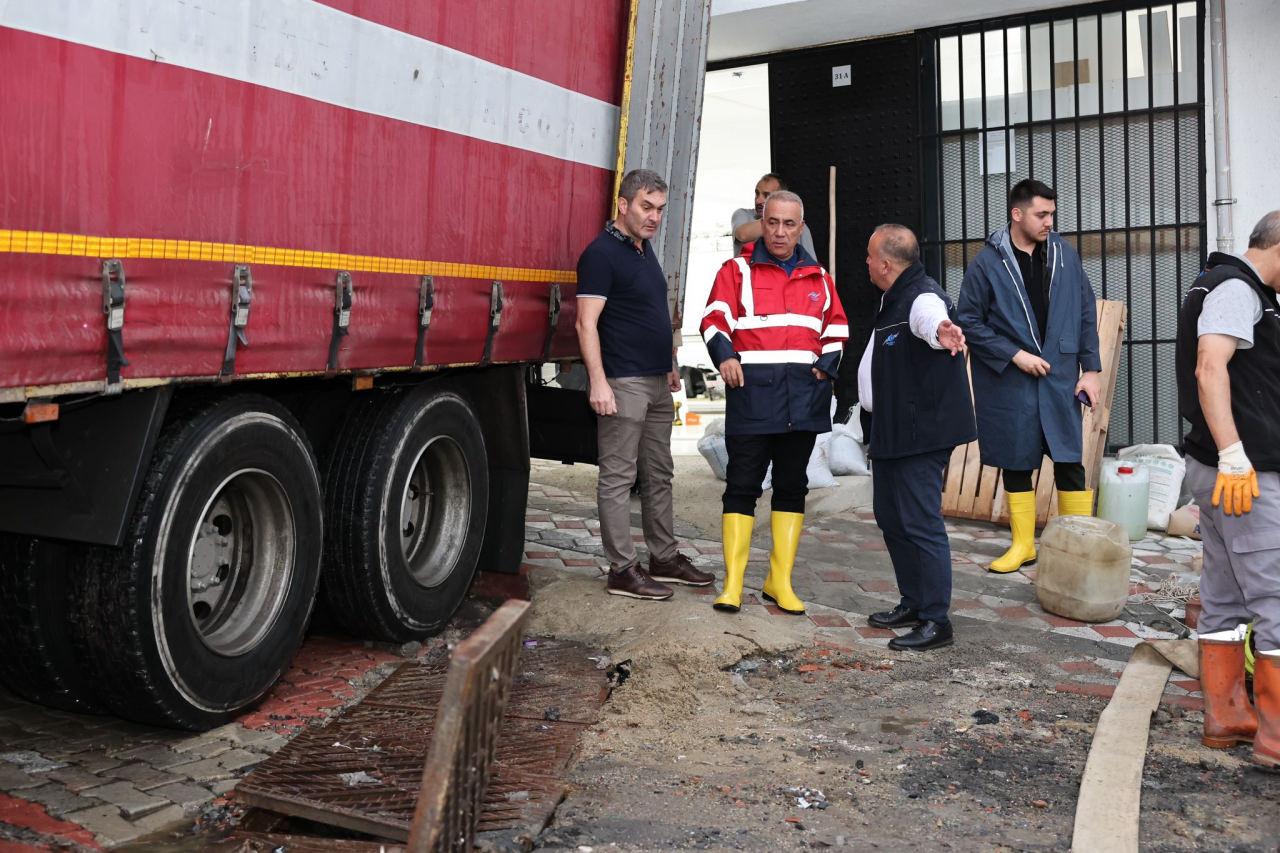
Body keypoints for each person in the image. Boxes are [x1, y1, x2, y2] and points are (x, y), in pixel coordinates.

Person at [701, 190, 848, 614]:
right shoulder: (735, 270)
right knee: (742, 487)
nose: (780, 232)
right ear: (761, 223)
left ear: (801, 228)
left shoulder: (819, 277)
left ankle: (778, 582)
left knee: (791, 487)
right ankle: (732, 584)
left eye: (789, 224)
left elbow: (836, 327)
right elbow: (713, 320)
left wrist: (828, 363)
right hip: (751, 397)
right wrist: (725, 356)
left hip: (803, 400)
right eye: (772, 222)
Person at [576, 169, 714, 600]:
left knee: (659, 474)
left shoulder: (642, 250)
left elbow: (651, 311)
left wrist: (670, 362)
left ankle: (664, 558)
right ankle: (622, 568)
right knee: (618, 478)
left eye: (659, 209)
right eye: (646, 207)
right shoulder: (600, 254)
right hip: (623, 381)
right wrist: (598, 382)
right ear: (624, 204)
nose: (654, 217)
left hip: (655, 380)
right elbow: (586, 322)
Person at [1175, 210, 1280, 769]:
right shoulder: (1237, 289)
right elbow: (1210, 368)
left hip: (1224, 470)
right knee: (1275, 597)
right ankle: (1275, 737)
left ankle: (1228, 717)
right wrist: (1235, 456)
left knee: (1225, 597)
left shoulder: (1223, 285)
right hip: (1244, 476)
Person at [957, 179, 1101, 573]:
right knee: (1016, 460)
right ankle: (1023, 545)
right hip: (1010, 379)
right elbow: (967, 320)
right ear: (1016, 214)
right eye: (1042, 214)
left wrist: (1092, 370)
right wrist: (1014, 354)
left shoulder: (1064, 256)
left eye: (1052, 214)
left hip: (1059, 375)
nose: (1049, 222)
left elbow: (1086, 310)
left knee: (1070, 460)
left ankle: (1080, 547)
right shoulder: (987, 263)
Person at [858, 225, 975, 651]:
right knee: (891, 518)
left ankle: (936, 620)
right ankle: (913, 601)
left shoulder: (922, 295)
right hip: (893, 429)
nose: (866, 263)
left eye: (870, 256)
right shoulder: (892, 298)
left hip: (919, 432)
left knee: (921, 522)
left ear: (886, 264)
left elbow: (930, 317)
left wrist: (942, 329)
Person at [732, 173, 817, 259]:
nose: (758, 200)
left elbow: (811, 263)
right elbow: (743, 235)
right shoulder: (742, 214)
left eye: (767, 196)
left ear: (782, 198)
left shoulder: (799, 226)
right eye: (757, 194)